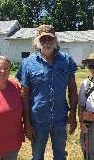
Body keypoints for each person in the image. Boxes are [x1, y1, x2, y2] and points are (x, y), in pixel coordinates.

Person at [16, 24, 78, 160]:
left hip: (60, 119)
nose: (46, 42)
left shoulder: (66, 60)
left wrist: (72, 116)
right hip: (37, 120)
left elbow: (73, 89)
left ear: (55, 40)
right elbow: (24, 94)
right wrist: (27, 122)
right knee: (37, 157)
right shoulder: (27, 63)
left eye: (49, 38)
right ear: (37, 41)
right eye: (43, 39)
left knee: (60, 156)